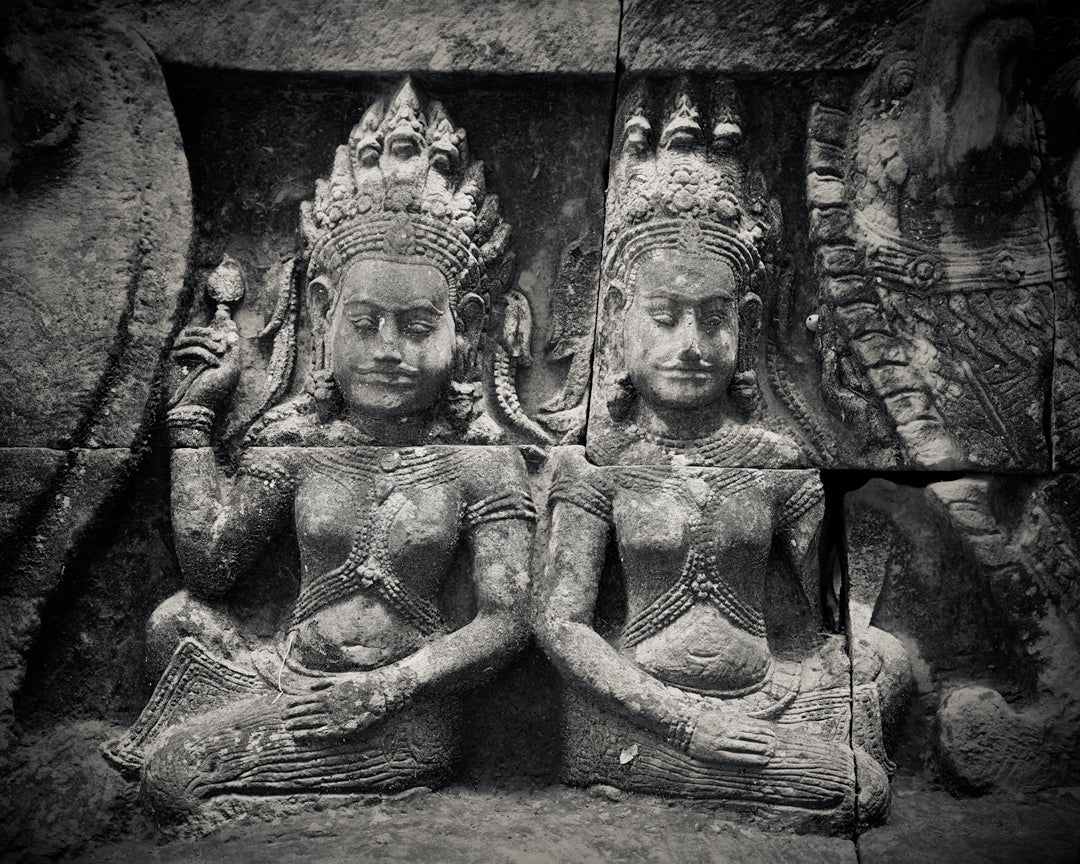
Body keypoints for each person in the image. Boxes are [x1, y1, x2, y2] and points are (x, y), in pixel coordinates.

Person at [103, 78, 535, 830]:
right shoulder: (296, 447)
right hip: (287, 675)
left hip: (400, 709)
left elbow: (506, 620)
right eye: (364, 322)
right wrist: (192, 420)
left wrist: (394, 685)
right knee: (175, 620)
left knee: (172, 773)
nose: (388, 351)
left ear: (464, 328)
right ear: (322, 310)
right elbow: (211, 565)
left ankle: (264, 806)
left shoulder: (480, 465)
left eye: (416, 326)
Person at [537, 78, 909, 832]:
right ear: (617, 318)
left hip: (768, 695)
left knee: (889, 665)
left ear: (745, 322)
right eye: (665, 316)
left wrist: (858, 648)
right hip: (642, 714)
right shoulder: (596, 465)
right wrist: (684, 722)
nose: (689, 346)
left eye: (713, 320)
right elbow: (563, 626)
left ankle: (757, 761)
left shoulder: (774, 462)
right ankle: (739, 769)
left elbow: (839, 607)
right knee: (857, 787)